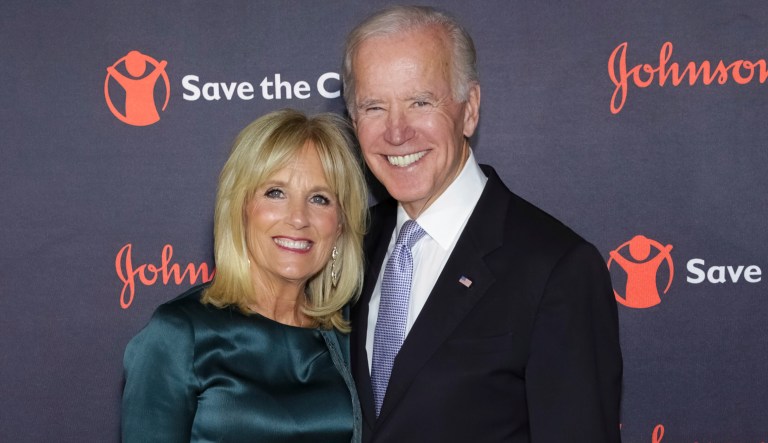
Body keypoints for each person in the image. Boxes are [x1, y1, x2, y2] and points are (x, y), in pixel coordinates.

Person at [342, 6, 623, 442]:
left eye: (420, 102)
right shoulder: (349, 243)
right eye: (374, 106)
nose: (396, 132)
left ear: (469, 110)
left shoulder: (556, 269)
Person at [121, 109, 368, 443]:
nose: (298, 218)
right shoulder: (180, 335)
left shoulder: (348, 338)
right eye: (275, 193)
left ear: (339, 226)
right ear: (240, 208)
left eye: (319, 198)